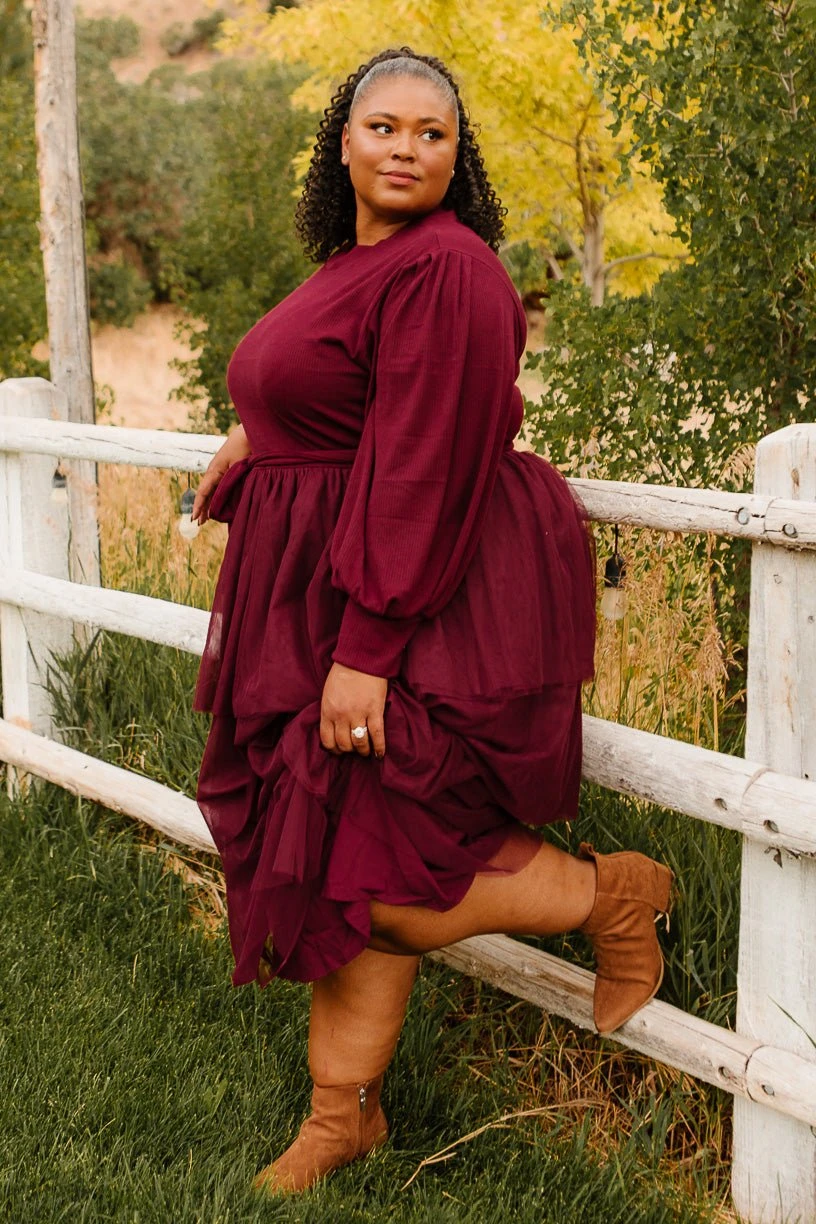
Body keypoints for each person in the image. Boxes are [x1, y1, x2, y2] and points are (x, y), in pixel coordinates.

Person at [191, 46, 674, 1196]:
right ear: (343, 142)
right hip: (324, 589)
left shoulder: (450, 268)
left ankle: (612, 892)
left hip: (410, 596)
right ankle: (342, 1117)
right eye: (384, 127)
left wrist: (366, 650)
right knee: (339, 854)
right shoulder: (358, 263)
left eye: (432, 133)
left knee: (389, 877)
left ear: (459, 157)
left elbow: (424, 458)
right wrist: (255, 432)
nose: (405, 148)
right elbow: (345, 393)